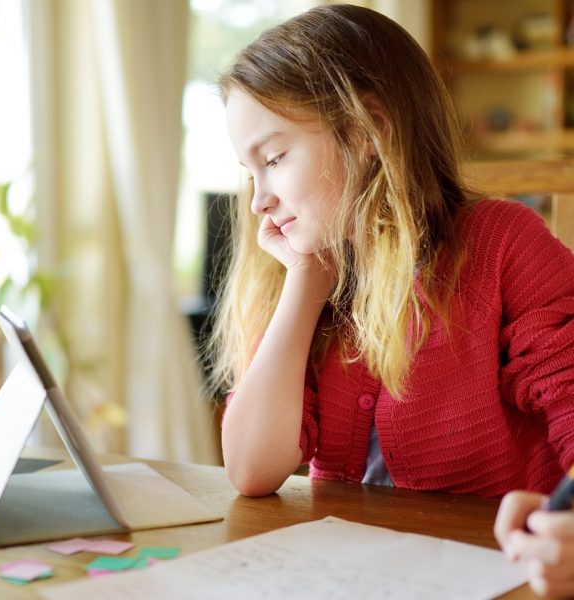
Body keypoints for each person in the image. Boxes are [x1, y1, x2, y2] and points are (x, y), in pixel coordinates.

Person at [207, 4, 574, 597]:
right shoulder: (318, 278)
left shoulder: (502, 246)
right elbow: (251, 469)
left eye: (273, 159)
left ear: (366, 133)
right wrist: (304, 280)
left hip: (490, 572)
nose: (258, 202)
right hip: (354, 573)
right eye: (250, 173)